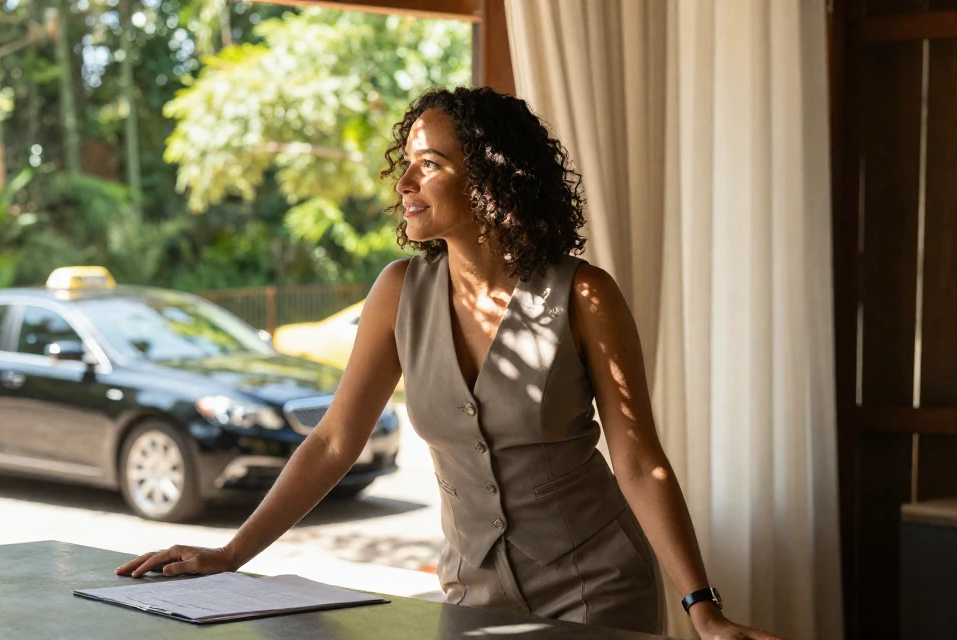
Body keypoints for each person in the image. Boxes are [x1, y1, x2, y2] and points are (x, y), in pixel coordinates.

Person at [116, 87, 779, 640]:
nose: (404, 183)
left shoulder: (582, 294)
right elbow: (334, 441)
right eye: (406, 164)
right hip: (472, 595)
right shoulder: (398, 293)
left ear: (493, 176)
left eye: (429, 164)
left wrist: (703, 609)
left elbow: (638, 461)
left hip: (596, 591)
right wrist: (230, 554)